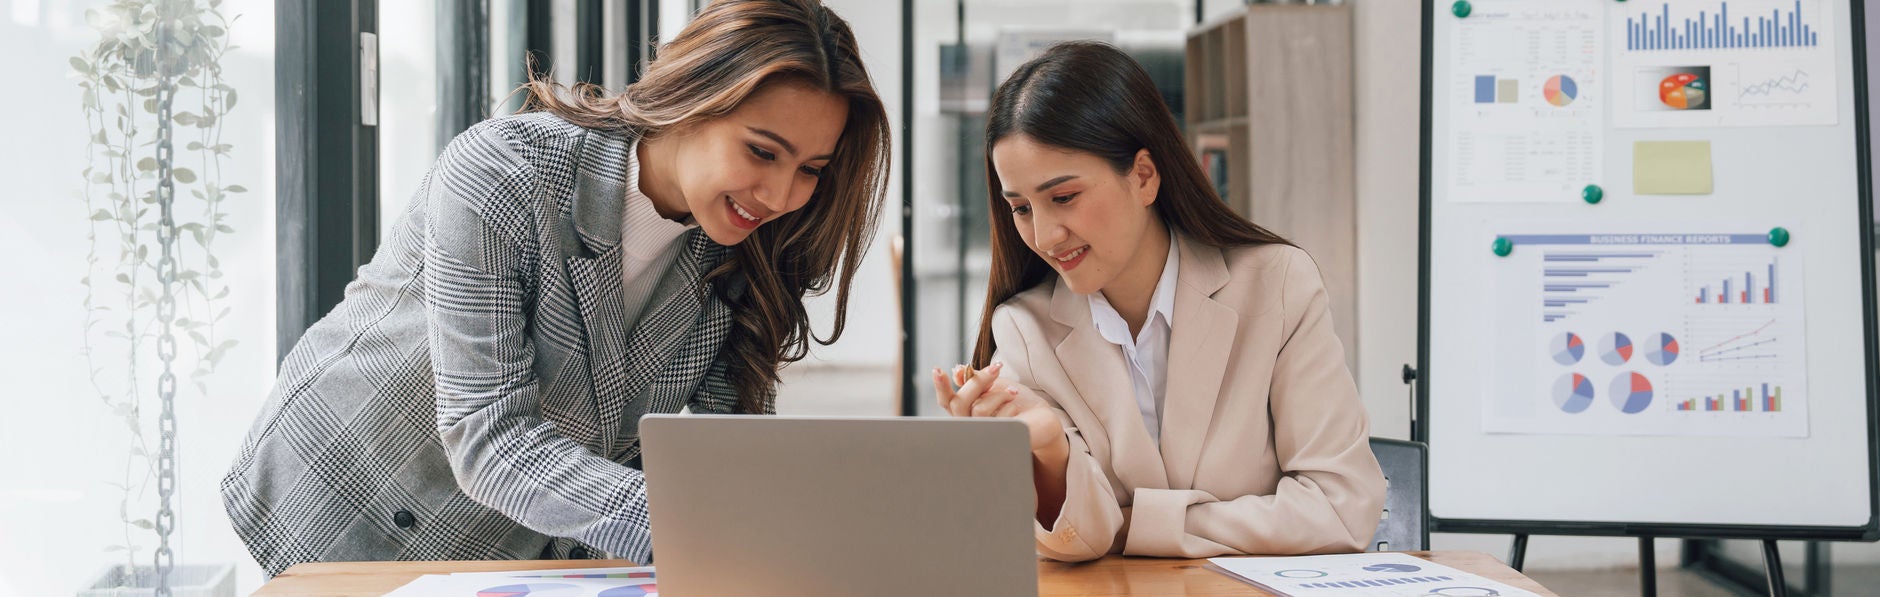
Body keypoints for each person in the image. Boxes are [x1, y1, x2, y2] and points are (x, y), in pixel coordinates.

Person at [221, 0, 889, 573]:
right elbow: (489, 436)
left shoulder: (745, 258)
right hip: (338, 493)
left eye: (813, 169)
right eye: (762, 151)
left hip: (495, 542)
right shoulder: (502, 173)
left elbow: (727, 452)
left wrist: (796, 525)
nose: (781, 194)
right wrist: (700, 527)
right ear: (689, 102)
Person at [932, 41, 1385, 561]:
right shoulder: (1024, 329)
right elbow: (1073, 543)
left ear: (1143, 176)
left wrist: (1133, 526)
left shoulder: (1277, 285)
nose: (1046, 234)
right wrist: (1050, 447)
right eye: (1021, 208)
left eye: (1063, 197)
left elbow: (1340, 507)